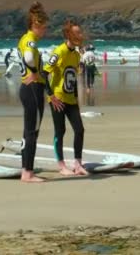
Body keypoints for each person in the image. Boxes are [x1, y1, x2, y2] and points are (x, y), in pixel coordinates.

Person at [42, 19, 88, 176]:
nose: (80, 35)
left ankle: (78, 164)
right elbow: (44, 73)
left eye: (80, 33)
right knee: (60, 131)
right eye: (77, 33)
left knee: (80, 130)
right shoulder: (59, 51)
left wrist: (76, 98)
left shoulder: (76, 55)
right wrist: (51, 95)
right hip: (58, 99)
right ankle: (61, 165)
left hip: (71, 99)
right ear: (69, 35)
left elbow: (73, 78)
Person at [18, 2, 49, 183]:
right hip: (33, 89)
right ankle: (28, 173)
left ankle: (25, 169)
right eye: (43, 28)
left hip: (26, 89)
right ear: (35, 25)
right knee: (32, 132)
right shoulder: (30, 39)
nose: (44, 31)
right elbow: (29, 57)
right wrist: (36, 73)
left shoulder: (23, 38)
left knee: (27, 131)